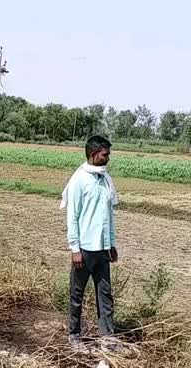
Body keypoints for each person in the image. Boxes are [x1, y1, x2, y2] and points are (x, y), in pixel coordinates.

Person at [60, 135, 120, 351]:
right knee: (77, 295)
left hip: (102, 250)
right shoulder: (79, 180)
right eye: (105, 154)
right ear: (94, 154)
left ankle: (108, 339)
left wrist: (111, 243)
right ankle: (74, 336)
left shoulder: (105, 179)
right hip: (84, 250)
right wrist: (75, 248)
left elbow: (109, 215)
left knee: (105, 296)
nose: (108, 158)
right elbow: (72, 216)